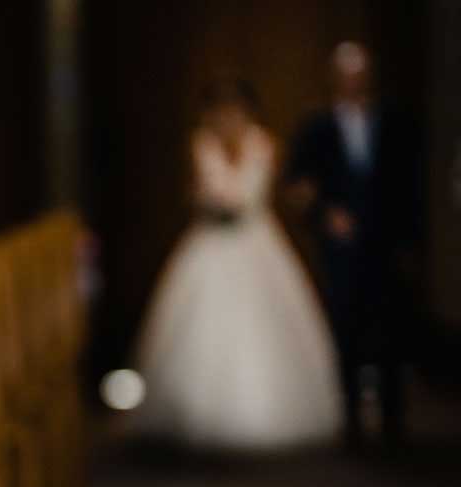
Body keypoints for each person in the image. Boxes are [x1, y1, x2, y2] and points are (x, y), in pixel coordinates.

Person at [133, 80, 341, 450]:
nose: (228, 118)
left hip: (253, 241)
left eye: (235, 110)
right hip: (211, 242)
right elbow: (199, 191)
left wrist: (231, 202)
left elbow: (253, 194)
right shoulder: (202, 143)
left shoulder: (262, 143)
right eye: (221, 110)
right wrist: (211, 201)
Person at [286, 42, 420, 448]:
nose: (353, 82)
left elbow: (411, 184)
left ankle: (393, 419)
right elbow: (299, 184)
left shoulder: (395, 123)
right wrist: (325, 215)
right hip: (341, 247)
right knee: (347, 328)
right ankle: (351, 421)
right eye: (346, 75)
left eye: (360, 74)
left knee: (392, 329)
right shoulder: (317, 127)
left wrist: (410, 239)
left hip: (385, 241)